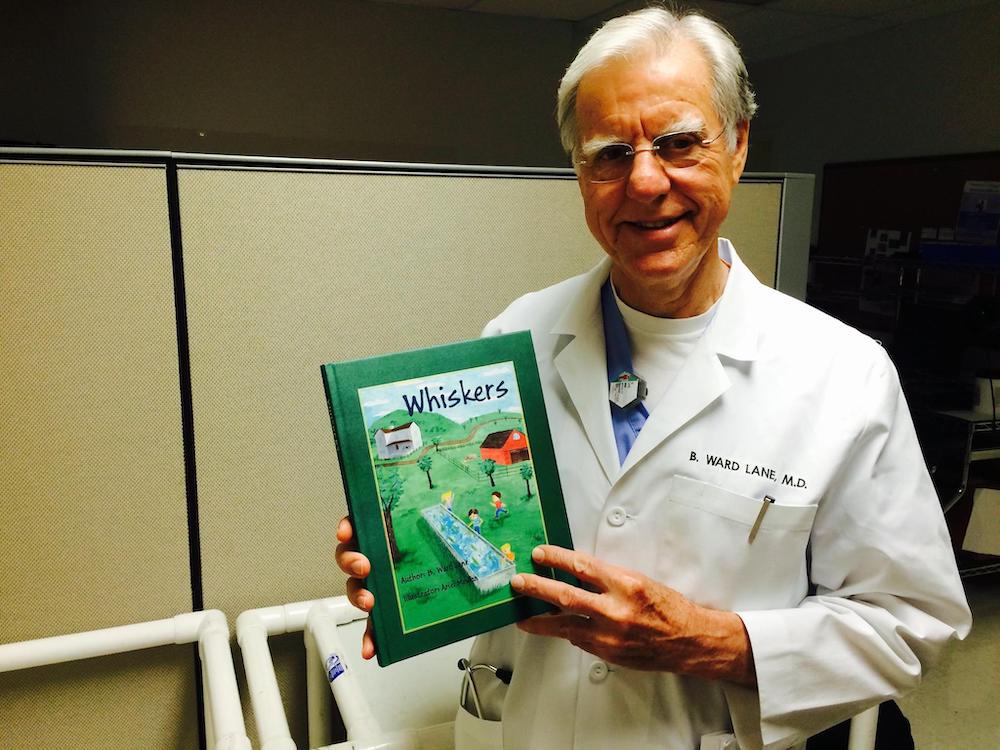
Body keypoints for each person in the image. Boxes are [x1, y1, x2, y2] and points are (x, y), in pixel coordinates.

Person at [337, 7, 971, 749]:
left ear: (736, 147)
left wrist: (702, 641)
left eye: (678, 143)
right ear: (579, 172)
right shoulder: (516, 338)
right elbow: (487, 534)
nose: (644, 181)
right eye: (610, 153)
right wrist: (405, 558)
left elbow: (908, 621)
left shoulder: (843, 374)